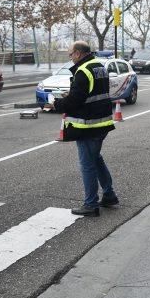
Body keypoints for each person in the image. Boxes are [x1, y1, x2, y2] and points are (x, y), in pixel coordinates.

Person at [44, 41, 117, 216]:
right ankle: (109, 195)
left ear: (78, 53)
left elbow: (75, 101)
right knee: (96, 160)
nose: (70, 57)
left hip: (88, 125)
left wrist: (56, 104)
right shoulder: (99, 67)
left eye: (70, 54)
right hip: (102, 123)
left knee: (87, 165)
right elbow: (91, 95)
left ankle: (91, 205)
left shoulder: (83, 71)